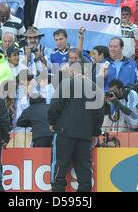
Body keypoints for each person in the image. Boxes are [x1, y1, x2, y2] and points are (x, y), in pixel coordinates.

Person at [48, 60, 104, 192]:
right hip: (85, 135)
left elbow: (55, 106)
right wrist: (95, 133)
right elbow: (99, 113)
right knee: (84, 170)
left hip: (64, 132)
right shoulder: (95, 88)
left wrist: (51, 122)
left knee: (59, 167)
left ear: (72, 71)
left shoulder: (67, 83)